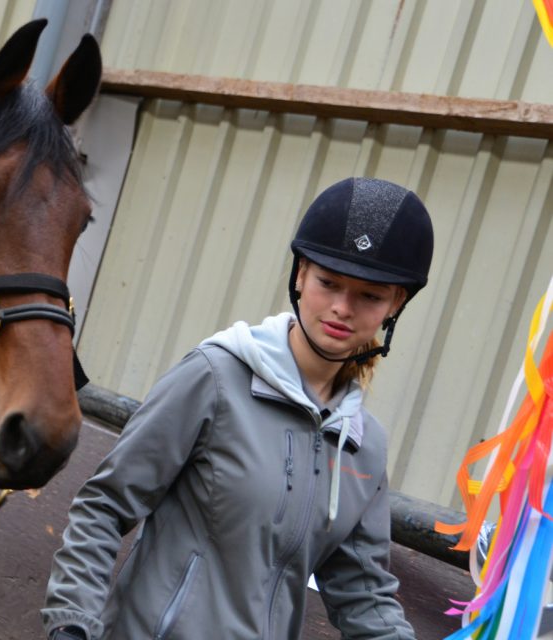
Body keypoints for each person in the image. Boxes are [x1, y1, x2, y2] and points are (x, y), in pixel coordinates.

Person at [41, 177, 434, 639]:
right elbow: (104, 505)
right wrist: (72, 623)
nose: (342, 308)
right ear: (301, 275)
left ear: (395, 304)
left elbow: (363, 595)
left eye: (369, 295)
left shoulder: (364, 447)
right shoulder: (213, 377)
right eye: (328, 283)